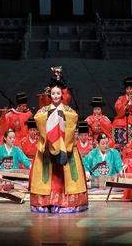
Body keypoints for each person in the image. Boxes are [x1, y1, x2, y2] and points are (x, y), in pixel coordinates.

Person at [30, 79, 88, 213]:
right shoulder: (43, 111)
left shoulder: (69, 111)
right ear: (50, 95)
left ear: (62, 95)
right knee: (49, 179)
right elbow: (38, 118)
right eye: (53, 93)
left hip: (65, 149)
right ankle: (46, 203)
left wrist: (60, 121)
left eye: (58, 93)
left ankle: (66, 204)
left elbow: (73, 120)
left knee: (66, 178)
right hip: (47, 148)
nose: (55, 96)